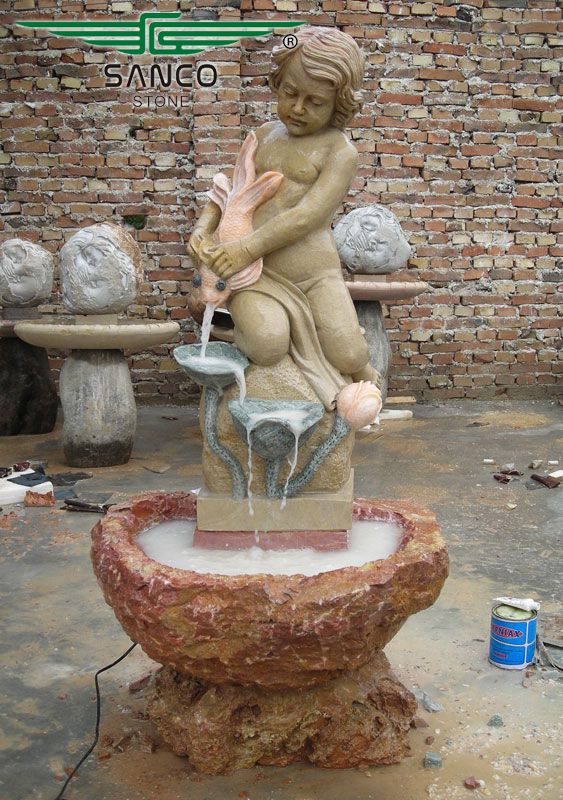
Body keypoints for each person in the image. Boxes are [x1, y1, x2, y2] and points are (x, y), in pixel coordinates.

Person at [189, 26, 381, 409]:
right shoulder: (263, 135)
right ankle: (245, 336)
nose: (297, 108)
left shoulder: (339, 151)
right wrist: (203, 226)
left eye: (315, 102)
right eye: (290, 93)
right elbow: (229, 191)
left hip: (313, 275)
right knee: (267, 344)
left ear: (338, 105)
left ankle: (361, 377)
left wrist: (245, 246)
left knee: (348, 353)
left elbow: (307, 216)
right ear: (277, 83)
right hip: (255, 273)